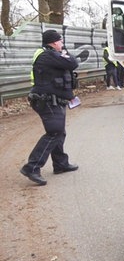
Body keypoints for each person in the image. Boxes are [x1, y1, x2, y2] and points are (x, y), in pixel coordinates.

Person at [20, 29, 79, 186]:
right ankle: (32, 167)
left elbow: (70, 62)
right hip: (46, 100)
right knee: (54, 132)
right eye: (60, 41)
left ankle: (60, 163)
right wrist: (65, 55)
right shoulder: (48, 55)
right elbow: (73, 63)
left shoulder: (52, 54)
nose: (62, 43)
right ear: (53, 42)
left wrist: (64, 54)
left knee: (59, 132)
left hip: (55, 100)